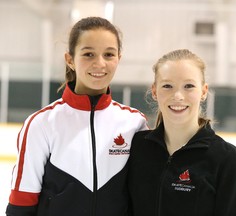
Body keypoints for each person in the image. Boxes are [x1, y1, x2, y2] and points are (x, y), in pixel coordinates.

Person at [6, 16, 148, 216]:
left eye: (109, 54)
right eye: (89, 54)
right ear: (70, 60)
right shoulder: (42, 124)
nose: (100, 63)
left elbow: (143, 196)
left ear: (119, 59)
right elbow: (22, 201)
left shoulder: (134, 123)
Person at [128, 49, 236, 216]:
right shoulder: (137, 147)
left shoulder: (226, 159)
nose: (178, 96)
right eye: (167, 86)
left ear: (204, 92)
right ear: (155, 91)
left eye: (189, 86)